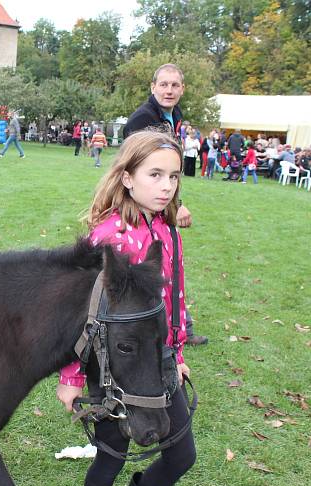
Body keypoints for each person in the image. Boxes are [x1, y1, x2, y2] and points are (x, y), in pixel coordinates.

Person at [56, 131, 195, 486]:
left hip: (159, 362)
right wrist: (72, 377)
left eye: (173, 176)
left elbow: (175, 298)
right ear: (128, 178)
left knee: (181, 454)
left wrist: (178, 354)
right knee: (110, 459)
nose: (166, 186)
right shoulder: (108, 237)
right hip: (112, 368)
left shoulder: (167, 231)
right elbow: (76, 313)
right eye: (155, 174)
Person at [121, 63, 204, 345]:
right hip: (140, 204)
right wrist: (175, 205)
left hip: (161, 200)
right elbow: (141, 168)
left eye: (175, 85)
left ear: (182, 88)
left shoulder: (173, 116)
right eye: (164, 84)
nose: (169, 90)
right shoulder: (142, 120)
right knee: (147, 261)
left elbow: (168, 168)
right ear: (153, 87)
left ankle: (180, 327)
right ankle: (144, 327)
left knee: (169, 259)